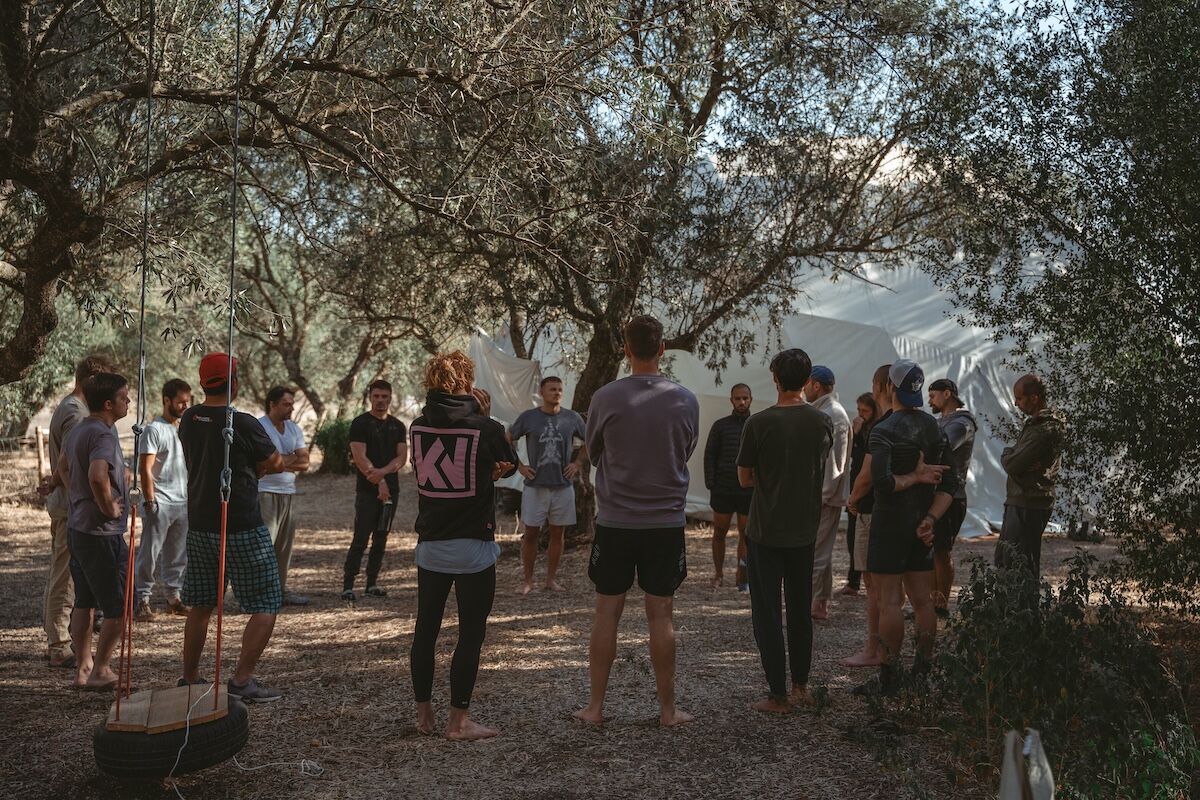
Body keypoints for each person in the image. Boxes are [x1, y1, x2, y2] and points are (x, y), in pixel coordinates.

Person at [574, 315, 699, 728]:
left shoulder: (604, 398)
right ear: (662, 348)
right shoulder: (685, 399)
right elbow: (686, 448)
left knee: (606, 612)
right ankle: (667, 711)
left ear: (626, 349)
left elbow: (592, 449)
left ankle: (595, 708)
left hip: (616, 521)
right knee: (661, 616)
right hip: (664, 522)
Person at [408, 351, 517, 740]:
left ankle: (424, 715)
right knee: (471, 633)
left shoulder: (417, 426)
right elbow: (511, 462)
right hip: (472, 544)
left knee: (426, 629)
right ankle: (459, 721)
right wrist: (485, 417)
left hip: (431, 544)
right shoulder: (484, 428)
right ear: (467, 383)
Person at [178, 353, 285, 702]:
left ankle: (190, 677)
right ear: (234, 383)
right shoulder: (242, 422)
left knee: (201, 603)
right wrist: (253, 472)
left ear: (202, 383)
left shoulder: (189, 418)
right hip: (241, 523)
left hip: (200, 523)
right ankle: (241, 680)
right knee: (267, 600)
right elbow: (274, 460)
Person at [736, 349, 832, 712]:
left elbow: (744, 478)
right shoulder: (820, 422)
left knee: (767, 613)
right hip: (804, 529)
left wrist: (770, 476)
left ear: (775, 378)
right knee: (799, 610)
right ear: (807, 381)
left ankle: (777, 692)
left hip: (765, 529)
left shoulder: (758, 424)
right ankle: (801, 686)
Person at [856, 359, 957, 696]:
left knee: (889, 602)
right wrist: (930, 519)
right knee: (924, 602)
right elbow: (950, 484)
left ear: (889, 388)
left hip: (890, 522)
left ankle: (889, 677)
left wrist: (912, 476)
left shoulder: (884, 430)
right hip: (921, 522)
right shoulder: (935, 427)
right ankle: (923, 671)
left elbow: (882, 482)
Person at [39, 353, 118, 668]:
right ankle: (59, 647)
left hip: (71, 508)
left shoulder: (74, 409)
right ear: (93, 381)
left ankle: (60, 642)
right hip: (74, 511)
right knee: (65, 579)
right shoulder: (75, 413)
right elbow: (70, 464)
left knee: (67, 576)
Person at [56, 372, 130, 690]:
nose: (129, 402)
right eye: (125, 397)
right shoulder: (102, 434)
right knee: (118, 605)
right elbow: (98, 475)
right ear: (109, 403)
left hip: (79, 528)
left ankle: (83, 667)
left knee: (84, 601)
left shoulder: (80, 429)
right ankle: (101, 670)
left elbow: (62, 465)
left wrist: (78, 496)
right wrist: (107, 506)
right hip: (101, 533)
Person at [507, 376, 587, 595]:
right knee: (531, 533)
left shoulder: (572, 418)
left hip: (562, 485)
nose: (557, 393)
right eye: (552, 389)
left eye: (560, 389)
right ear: (542, 392)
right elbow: (508, 437)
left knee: (557, 534)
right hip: (535, 485)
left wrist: (577, 463)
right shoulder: (529, 417)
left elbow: (589, 440)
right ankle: (528, 581)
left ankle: (551, 580)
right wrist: (519, 466)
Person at [133, 378, 193, 622]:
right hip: (160, 502)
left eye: (187, 402)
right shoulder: (154, 429)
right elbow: (145, 468)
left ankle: (173, 598)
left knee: (177, 553)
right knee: (150, 553)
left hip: (182, 501)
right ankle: (142, 600)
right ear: (166, 400)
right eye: (180, 402)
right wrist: (150, 500)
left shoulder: (182, 428)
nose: (184, 406)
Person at [342, 380, 407, 601]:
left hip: (391, 492)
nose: (381, 400)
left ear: (390, 398)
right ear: (370, 397)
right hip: (367, 491)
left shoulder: (398, 426)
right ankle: (348, 584)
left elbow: (401, 458)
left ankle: (372, 583)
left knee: (381, 537)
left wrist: (384, 474)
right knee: (361, 537)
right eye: (377, 396)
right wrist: (378, 481)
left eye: (385, 396)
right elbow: (360, 457)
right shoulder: (360, 424)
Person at [997, 374, 1064, 577]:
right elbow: (1016, 458)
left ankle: (1025, 607)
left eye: (1019, 398)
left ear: (1034, 397)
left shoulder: (1047, 428)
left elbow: (1014, 463)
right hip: (1021, 498)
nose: (1016, 404)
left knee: (1021, 562)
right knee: (1006, 558)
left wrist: (1011, 455)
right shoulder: (1035, 424)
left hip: (1030, 499)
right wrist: (1013, 454)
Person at [804, 366, 851, 620]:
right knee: (822, 550)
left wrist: (822, 495)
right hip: (821, 494)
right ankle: (820, 603)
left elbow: (836, 462)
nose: (804, 389)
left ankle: (802, 608)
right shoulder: (824, 411)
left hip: (823, 496)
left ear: (816, 385)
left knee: (814, 554)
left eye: (806, 384)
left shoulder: (834, 415)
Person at [928, 378, 977, 617]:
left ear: (947, 394)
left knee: (942, 550)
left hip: (952, 496)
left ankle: (941, 603)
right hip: (936, 493)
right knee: (930, 550)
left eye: (933, 395)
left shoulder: (962, 422)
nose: (930, 401)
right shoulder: (943, 421)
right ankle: (930, 601)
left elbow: (943, 445)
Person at [257, 386, 310, 606]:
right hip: (265, 492)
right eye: (286, 404)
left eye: (292, 403)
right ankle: (259, 593)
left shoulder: (294, 429)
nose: (291, 408)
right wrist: (285, 461)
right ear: (273, 404)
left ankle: (280, 589)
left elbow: (305, 462)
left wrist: (279, 462)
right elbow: (261, 465)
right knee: (264, 546)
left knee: (285, 545)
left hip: (289, 492)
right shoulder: (260, 427)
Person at [703, 383, 754, 590]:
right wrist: (711, 484)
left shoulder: (756, 424)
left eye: (745, 398)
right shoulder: (720, 426)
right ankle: (718, 574)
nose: (741, 402)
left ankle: (742, 577)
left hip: (748, 489)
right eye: (737, 398)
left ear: (750, 399)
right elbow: (710, 456)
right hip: (723, 488)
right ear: (731, 400)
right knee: (720, 531)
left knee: (746, 534)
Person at [839, 393, 879, 596]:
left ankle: (866, 581)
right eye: (859, 410)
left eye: (865, 411)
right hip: (857, 485)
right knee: (852, 535)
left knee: (864, 536)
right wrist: (854, 433)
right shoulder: (862, 429)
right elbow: (851, 455)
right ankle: (853, 580)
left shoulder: (877, 431)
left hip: (868, 489)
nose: (861, 414)